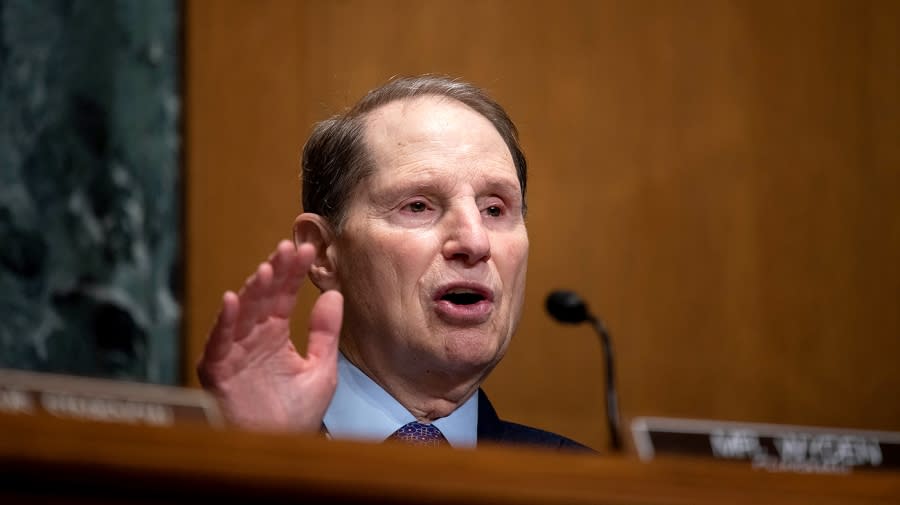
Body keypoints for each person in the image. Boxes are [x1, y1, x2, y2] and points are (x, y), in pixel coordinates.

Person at [197, 75, 589, 451]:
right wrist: (265, 463)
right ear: (320, 252)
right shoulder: (223, 466)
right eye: (418, 206)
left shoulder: (585, 486)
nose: (474, 241)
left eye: (494, 208)